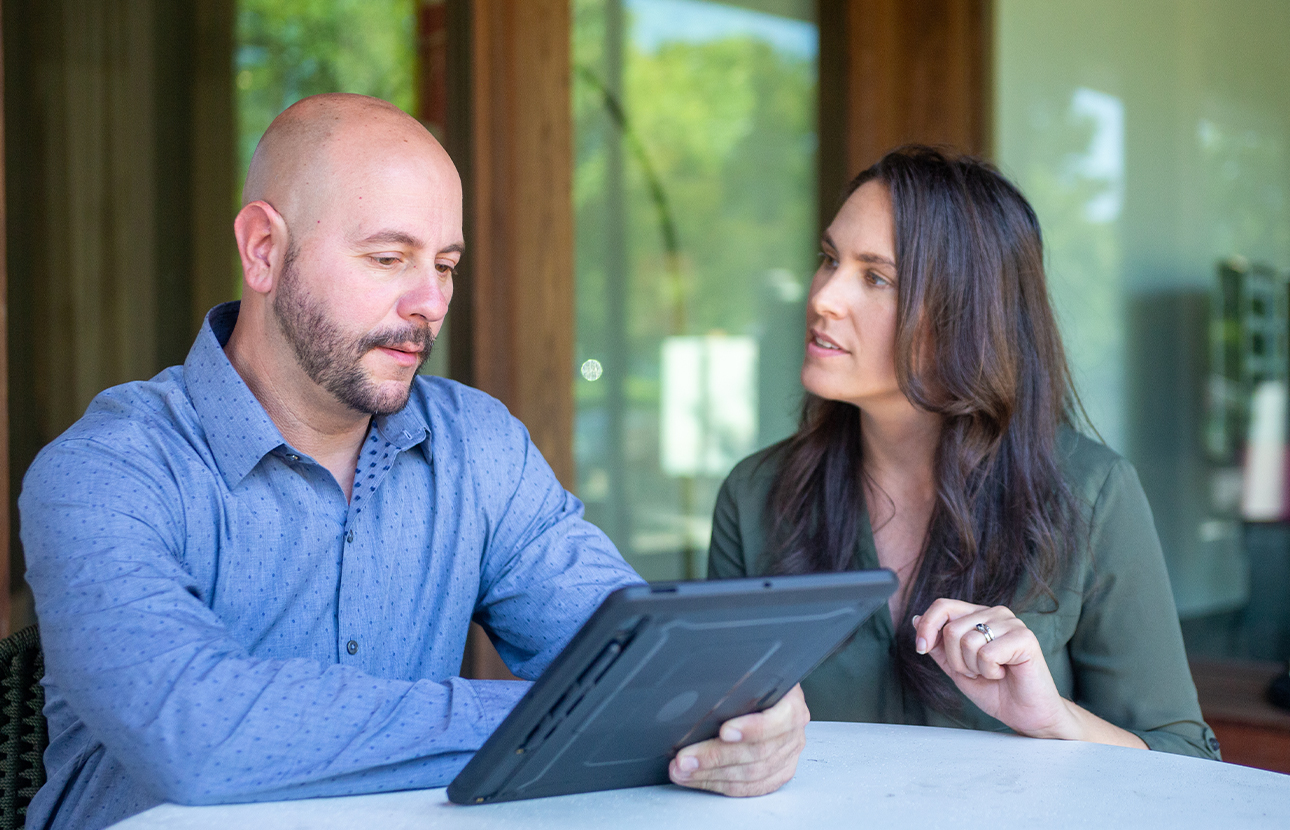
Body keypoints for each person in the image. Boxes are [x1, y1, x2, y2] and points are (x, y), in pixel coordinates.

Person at [18, 93, 808, 830]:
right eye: (389, 258)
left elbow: (642, 665)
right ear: (263, 251)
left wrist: (747, 708)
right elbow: (195, 732)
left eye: (446, 264)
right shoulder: (107, 470)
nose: (429, 302)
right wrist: (556, 715)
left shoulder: (478, 447)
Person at [708, 146, 1220, 758]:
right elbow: (721, 734)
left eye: (876, 277)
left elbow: (1187, 760)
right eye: (828, 259)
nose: (823, 297)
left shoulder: (1092, 494)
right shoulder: (755, 494)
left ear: (966, 315)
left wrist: (1055, 719)